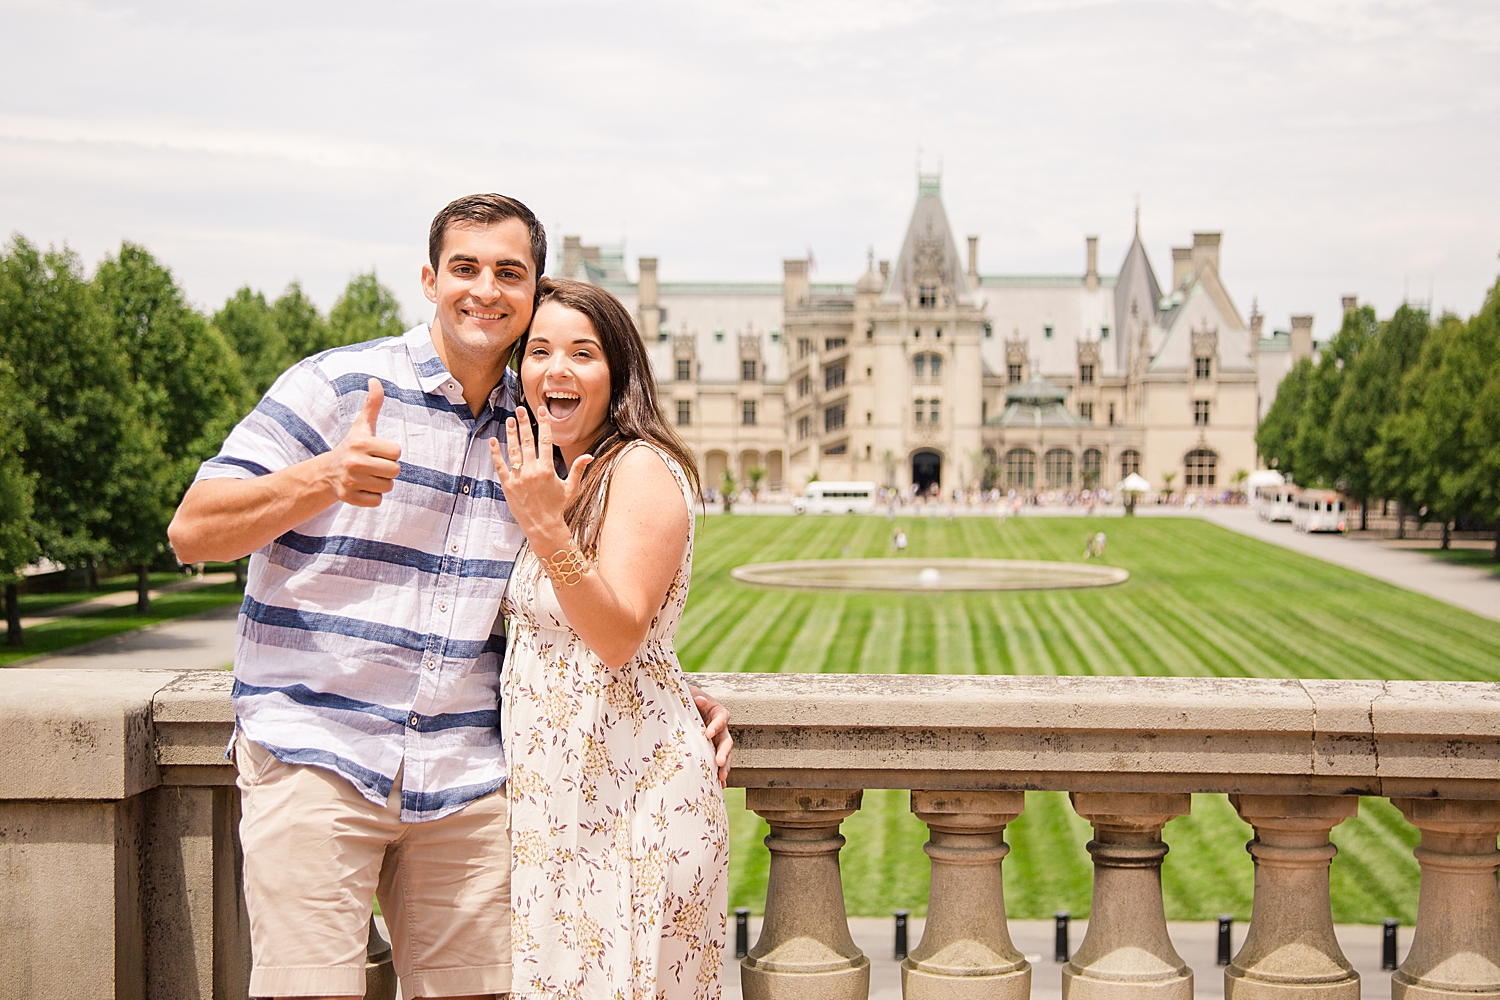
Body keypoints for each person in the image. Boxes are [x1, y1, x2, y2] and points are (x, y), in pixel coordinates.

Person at [167, 194, 730, 1000]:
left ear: (531, 293)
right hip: (322, 756)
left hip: (465, 780)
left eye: (509, 272)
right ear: (430, 279)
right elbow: (193, 532)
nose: (485, 289)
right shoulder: (339, 384)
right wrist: (324, 476)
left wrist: (667, 695)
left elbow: (585, 612)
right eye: (465, 267)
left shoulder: (535, 428)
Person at [493, 278, 728, 1000]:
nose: (556, 369)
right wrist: (675, 684)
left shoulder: (640, 468)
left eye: (582, 352)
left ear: (619, 372)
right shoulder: (555, 474)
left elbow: (621, 636)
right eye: (538, 351)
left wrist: (546, 531)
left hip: (629, 807)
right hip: (566, 800)